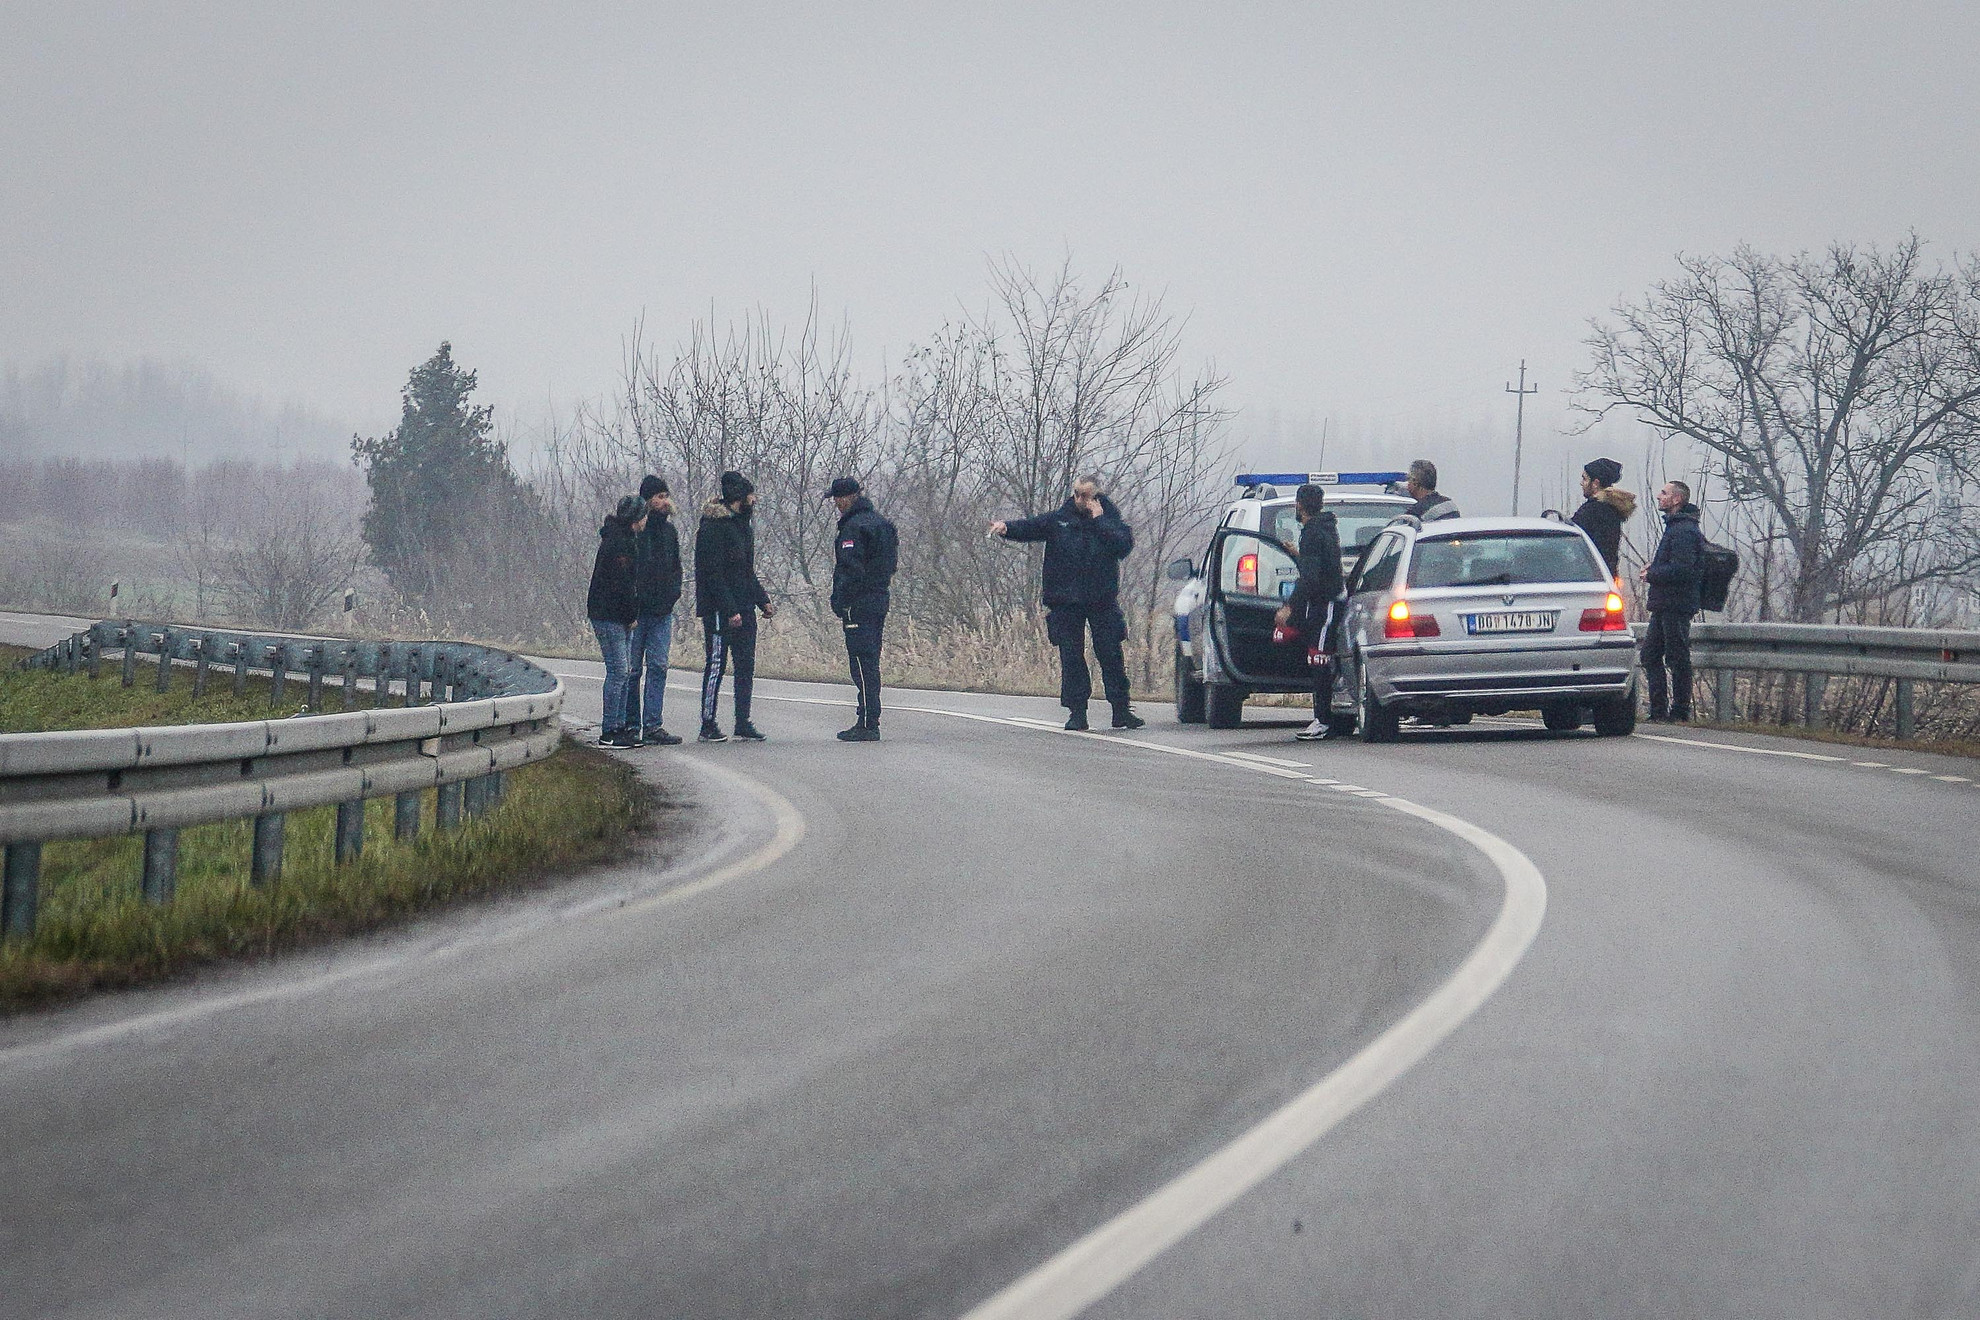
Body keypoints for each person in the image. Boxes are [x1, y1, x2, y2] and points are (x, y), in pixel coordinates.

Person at [991, 473, 1144, 731]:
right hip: (1065, 600)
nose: (1079, 499)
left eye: (1085, 495)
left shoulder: (1110, 521)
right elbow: (1032, 527)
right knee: (1071, 657)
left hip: (1101, 599)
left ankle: (1121, 710)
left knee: (1110, 654)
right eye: (1076, 494)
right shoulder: (1060, 519)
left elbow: (1122, 546)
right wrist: (1006, 528)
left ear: (1096, 497)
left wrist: (1100, 520)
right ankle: (1077, 712)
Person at [695, 470, 773, 742]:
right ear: (740, 497)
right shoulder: (712, 527)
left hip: (745, 606)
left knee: (745, 665)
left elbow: (745, 571)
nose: (755, 499)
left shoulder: (743, 528)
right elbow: (712, 574)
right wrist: (730, 610)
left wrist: (762, 600)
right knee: (716, 664)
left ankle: (743, 721)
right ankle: (708, 723)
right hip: (720, 609)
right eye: (752, 495)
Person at [826, 477, 898, 742]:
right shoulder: (883, 525)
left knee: (861, 661)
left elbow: (850, 568)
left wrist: (842, 600)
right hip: (879, 598)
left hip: (859, 603)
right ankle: (869, 718)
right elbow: (890, 565)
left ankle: (868, 722)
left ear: (847, 497)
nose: (835, 504)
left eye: (836, 499)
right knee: (871, 660)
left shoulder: (854, 528)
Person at [1274, 483, 1346, 741]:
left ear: (1299, 504)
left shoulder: (1313, 534)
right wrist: (1299, 554)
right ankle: (1326, 716)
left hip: (1325, 604)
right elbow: (1318, 564)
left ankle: (1324, 720)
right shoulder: (1325, 529)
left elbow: (1310, 579)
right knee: (1320, 660)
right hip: (1324, 602)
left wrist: (1289, 607)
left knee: (1319, 660)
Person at [1640, 479, 1705, 723]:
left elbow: (1682, 569)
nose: (1659, 496)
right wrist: (1655, 567)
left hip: (1675, 605)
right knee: (1650, 655)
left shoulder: (1684, 531)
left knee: (1677, 657)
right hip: (1665, 604)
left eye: (1664, 493)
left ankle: (1679, 712)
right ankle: (1658, 711)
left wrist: (1652, 574)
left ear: (1677, 499)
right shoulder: (1677, 527)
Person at [627, 474, 683, 746]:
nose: (663, 502)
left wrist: (673, 595)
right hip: (638, 612)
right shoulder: (638, 531)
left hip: (663, 611)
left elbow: (676, 568)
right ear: (647, 500)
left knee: (658, 666)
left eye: (665, 496)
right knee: (632, 670)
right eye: (658, 497)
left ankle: (652, 725)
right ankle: (630, 724)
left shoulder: (669, 532)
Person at [586, 495, 645, 747]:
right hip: (608, 615)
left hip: (616, 614)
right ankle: (609, 729)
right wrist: (631, 614)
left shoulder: (623, 539)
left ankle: (619, 726)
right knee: (619, 670)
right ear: (635, 519)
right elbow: (621, 585)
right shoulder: (619, 544)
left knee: (626, 670)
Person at [1570, 457, 1635, 578]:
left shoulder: (1592, 510)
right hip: (1606, 576)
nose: (1581, 483)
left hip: (1588, 576)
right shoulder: (1611, 508)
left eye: (1584, 479)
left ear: (1595, 483)